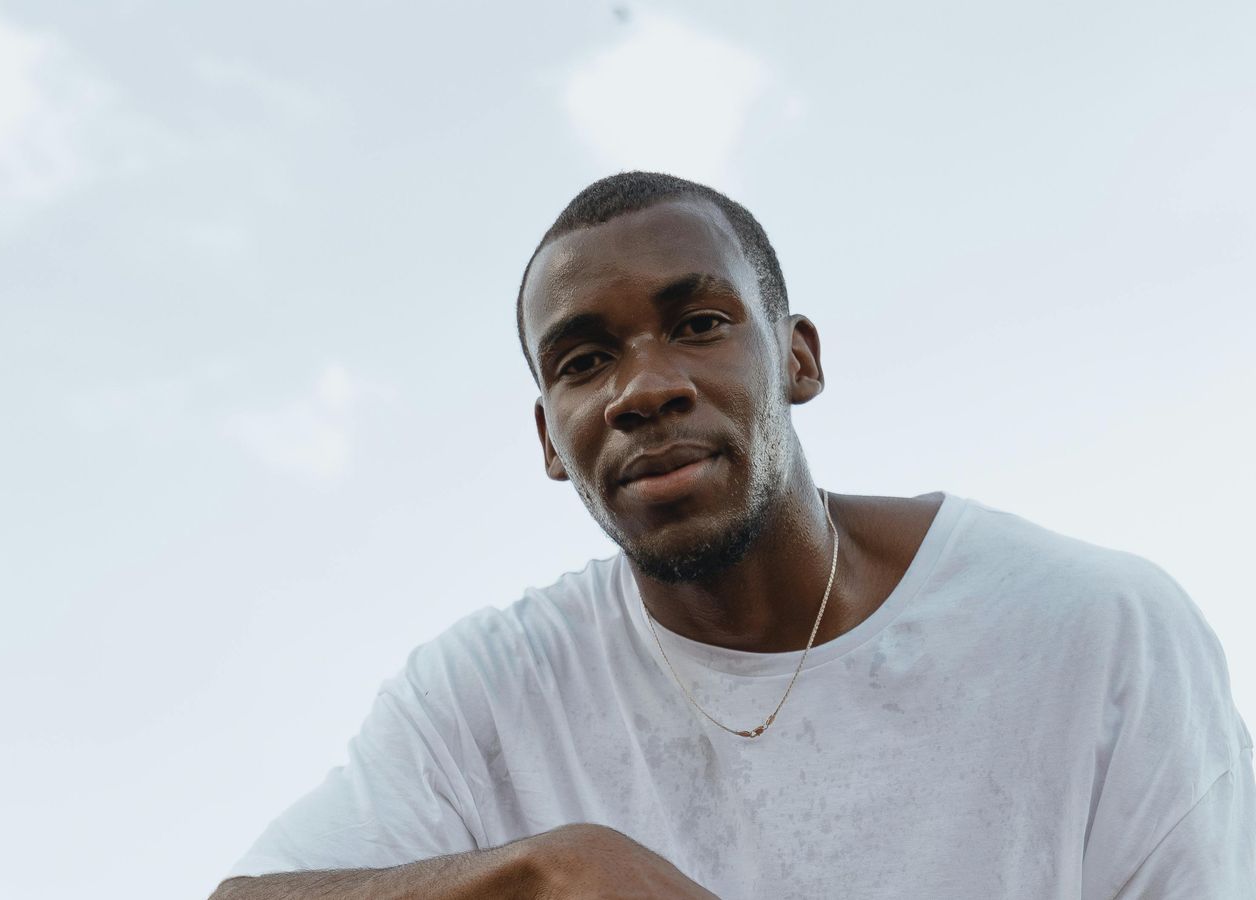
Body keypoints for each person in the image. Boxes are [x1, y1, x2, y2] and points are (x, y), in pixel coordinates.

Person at [210, 172, 1254, 899]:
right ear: (548, 439)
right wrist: (553, 872)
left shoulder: (1089, 629)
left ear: (796, 358)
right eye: (580, 361)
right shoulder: (488, 694)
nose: (643, 388)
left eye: (699, 323)